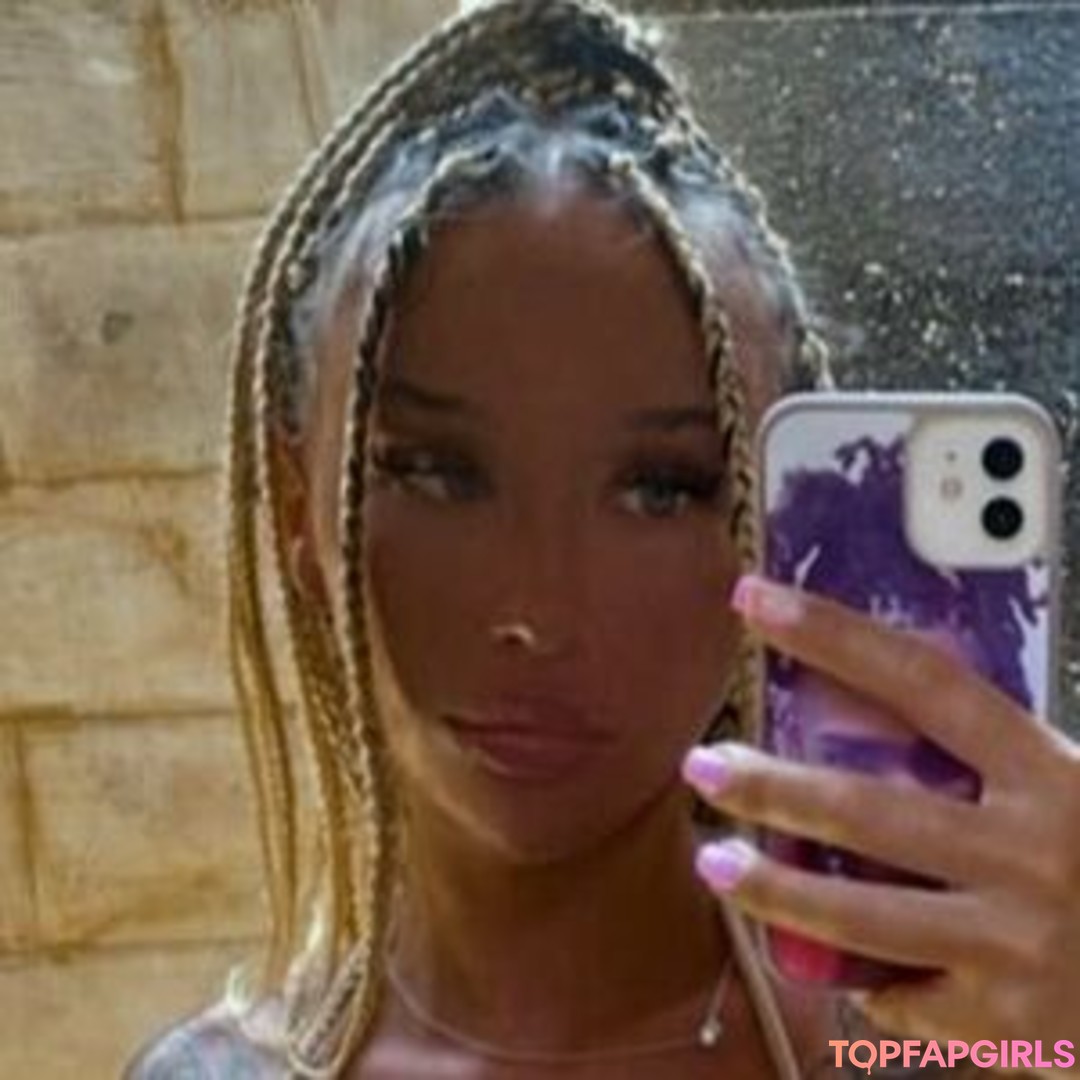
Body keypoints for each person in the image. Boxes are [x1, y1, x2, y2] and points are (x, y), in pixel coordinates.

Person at [124, 1, 1080, 1076]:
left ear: (775, 529)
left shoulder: (947, 1050)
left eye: (660, 489)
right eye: (437, 472)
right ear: (301, 509)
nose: (538, 612)